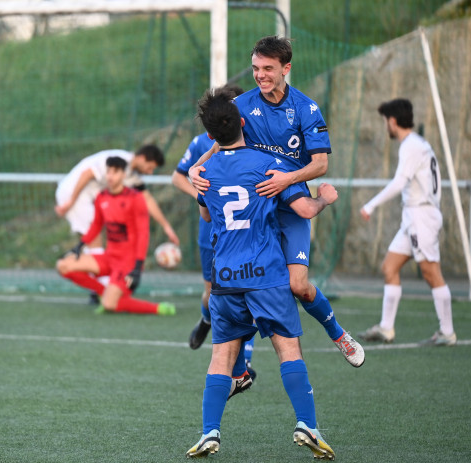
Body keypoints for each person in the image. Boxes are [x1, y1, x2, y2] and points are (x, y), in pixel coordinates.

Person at [189, 36, 364, 368]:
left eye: (268, 68)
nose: (260, 75)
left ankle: (337, 332)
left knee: (299, 286)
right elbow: (219, 148)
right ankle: (240, 369)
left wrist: (286, 179)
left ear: (286, 68)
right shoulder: (242, 105)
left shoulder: (306, 108)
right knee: (250, 284)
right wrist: (196, 171)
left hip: (292, 204)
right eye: (255, 68)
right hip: (257, 212)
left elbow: (320, 164)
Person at [185, 87, 337, 460]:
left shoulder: (204, 172)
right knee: (288, 348)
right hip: (265, 275)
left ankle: (209, 432)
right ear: (242, 123)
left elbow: (206, 215)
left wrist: (198, 174)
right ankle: (307, 424)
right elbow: (303, 210)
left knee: (221, 357)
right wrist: (324, 200)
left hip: (225, 279)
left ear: (210, 135)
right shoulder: (266, 163)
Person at [358, 98, 456, 346]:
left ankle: (447, 332)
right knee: (389, 268)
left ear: (392, 121)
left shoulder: (411, 145)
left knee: (431, 272)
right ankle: (386, 329)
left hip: (422, 217)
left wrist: (370, 204)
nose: (385, 127)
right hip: (413, 216)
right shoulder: (417, 144)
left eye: (385, 122)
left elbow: (399, 183)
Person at [173, 85, 246, 352]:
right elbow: (178, 176)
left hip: (246, 231)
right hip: (212, 231)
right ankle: (206, 319)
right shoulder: (201, 143)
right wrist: (201, 195)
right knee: (212, 293)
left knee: (246, 294)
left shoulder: (253, 140)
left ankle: (244, 360)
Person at [56, 156, 176, 316]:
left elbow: (143, 234)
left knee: (109, 304)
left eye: (115, 172)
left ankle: (158, 308)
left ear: (124, 175)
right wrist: (79, 246)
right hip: (109, 257)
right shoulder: (101, 197)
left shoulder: (135, 198)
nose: (111, 176)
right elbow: (96, 226)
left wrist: (138, 267)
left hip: (127, 263)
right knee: (63, 265)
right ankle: (103, 292)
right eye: (108, 172)